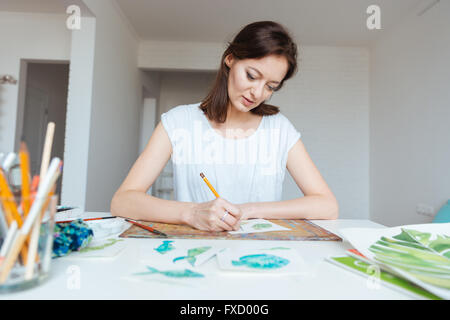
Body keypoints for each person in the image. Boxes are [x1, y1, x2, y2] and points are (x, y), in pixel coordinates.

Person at [111, 21, 338, 232]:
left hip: (258, 260)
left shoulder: (280, 129)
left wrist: (250, 210)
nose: (258, 93)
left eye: (270, 86)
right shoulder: (178, 121)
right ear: (230, 59)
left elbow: (327, 206)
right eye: (251, 76)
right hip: (192, 259)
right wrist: (191, 213)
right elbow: (122, 201)